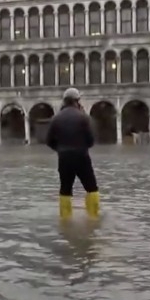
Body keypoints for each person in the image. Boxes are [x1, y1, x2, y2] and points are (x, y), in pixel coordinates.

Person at [45, 87, 100, 219]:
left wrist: (60, 150)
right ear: (77, 101)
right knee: (91, 188)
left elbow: (48, 141)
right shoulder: (83, 117)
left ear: (64, 101)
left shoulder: (56, 118)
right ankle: (93, 219)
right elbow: (91, 141)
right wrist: (81, 147)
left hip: (64, 158)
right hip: (81, 156)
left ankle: (65, 220)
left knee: (65, 189)